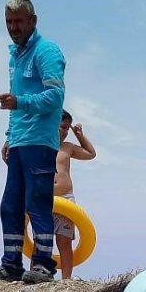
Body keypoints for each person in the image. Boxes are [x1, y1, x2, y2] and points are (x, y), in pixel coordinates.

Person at [0, 0, 66, 284]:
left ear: (33, 20)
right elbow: (14, 106)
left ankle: (43, 264)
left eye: (18, 21)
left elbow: (56, 97)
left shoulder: (47, 51)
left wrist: (20, 102)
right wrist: (8, 136)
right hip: (19, 141)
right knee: (10, 204)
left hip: (40, 141)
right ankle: (11, 265)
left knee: (37, 202)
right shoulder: (15, 56)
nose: (13, 27)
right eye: (9, 22)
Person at [52, 110, 96, 280]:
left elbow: (91, 154)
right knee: (41, 241)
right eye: (61, 127)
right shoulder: (39, 145)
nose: (63, 131)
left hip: (65, 200)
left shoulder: (67, 147)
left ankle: (66, 280)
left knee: (64, 241)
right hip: (44, 199)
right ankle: (38, 275)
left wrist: (79, 135)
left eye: (66, 129)